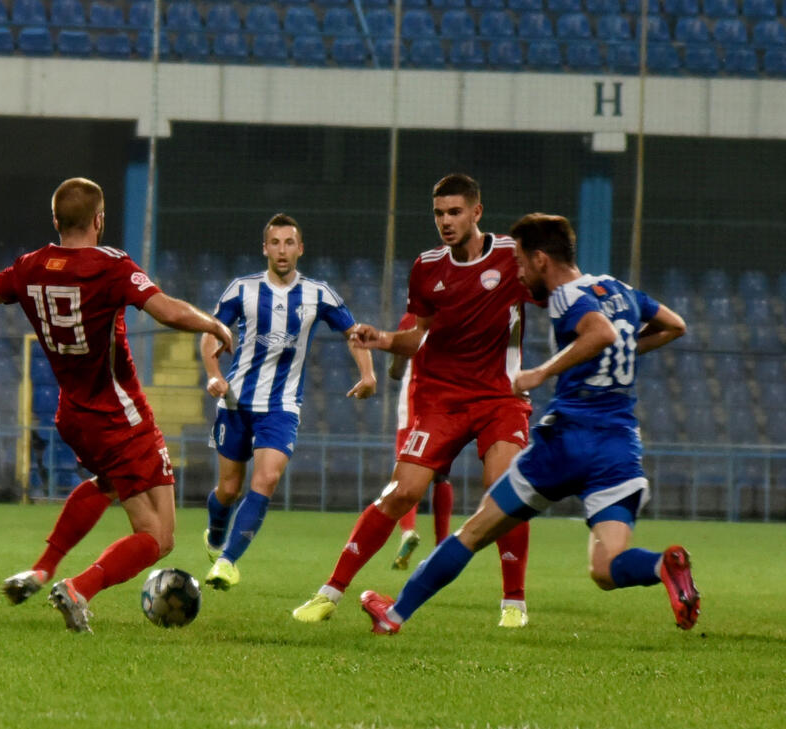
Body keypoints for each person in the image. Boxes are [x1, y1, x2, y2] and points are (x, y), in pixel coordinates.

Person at [0, 177, 234, 633]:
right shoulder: (111, 265)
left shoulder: (30, 267)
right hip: (120, 415)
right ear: (99, 220)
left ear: (55, 220)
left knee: (108, 485)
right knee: (158, 537)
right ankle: (78, 589)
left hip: (73, 414)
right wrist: (214, 325)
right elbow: (167, 310)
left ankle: (42, 569)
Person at [360, 212, 701, 635]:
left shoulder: (565, 295)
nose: (518, 273)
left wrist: (540, 372)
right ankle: (662, 566)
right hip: (619, 447)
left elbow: (600, 333)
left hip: (567, 442)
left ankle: (393, 616)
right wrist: (623, 352)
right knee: (605, 568)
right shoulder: (618, 289)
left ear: (541, 260)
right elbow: (674, 325)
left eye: (521, 263)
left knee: (474, 532)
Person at [293, 173, 535, 628]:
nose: (445, 221)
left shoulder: (511, 256)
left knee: (504, 489)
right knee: (401, 491)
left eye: (455, 212)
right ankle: (330, 592)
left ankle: (513, 604)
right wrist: (383, 338)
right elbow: (419, 336)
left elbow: (551, 294)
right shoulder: (427, 267)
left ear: (477, 212)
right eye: (439, 213)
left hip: (500, 398)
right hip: (441, 399)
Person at [199, 213, 377, 590]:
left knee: (267, 478)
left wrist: (368, 374)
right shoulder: (242, 289)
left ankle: (227, 562)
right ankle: (215, 532)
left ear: (300, 249)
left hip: (281, 407)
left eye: (289, 243)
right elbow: (211, 332)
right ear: (265, 248)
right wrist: (213, 373)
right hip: (235, 402)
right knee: (228, 489)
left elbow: (354, 333)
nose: (282, 250)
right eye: (275, 243)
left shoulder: (318, 293)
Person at [388, 312, 455, 570]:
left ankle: (407, 531)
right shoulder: (458, 311)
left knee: (405, 473)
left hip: (414, 403)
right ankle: (442, 544)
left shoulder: (412, 317)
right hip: (447, 403)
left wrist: (394, 365)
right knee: (441, 476)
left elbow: (397, 370)